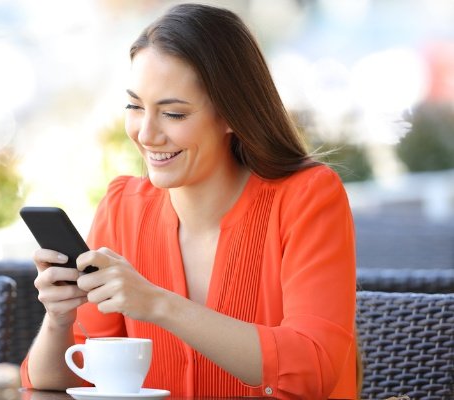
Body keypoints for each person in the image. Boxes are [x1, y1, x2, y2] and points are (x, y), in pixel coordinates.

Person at [20, 3, 358, 399]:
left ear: (232, 114)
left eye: (174, 114)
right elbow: (53, 381)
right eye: (135, 106)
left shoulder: (308, 197)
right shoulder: (123, 207)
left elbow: (312, 368)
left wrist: (160, 305)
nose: (146, 133)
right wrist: (60, 319)